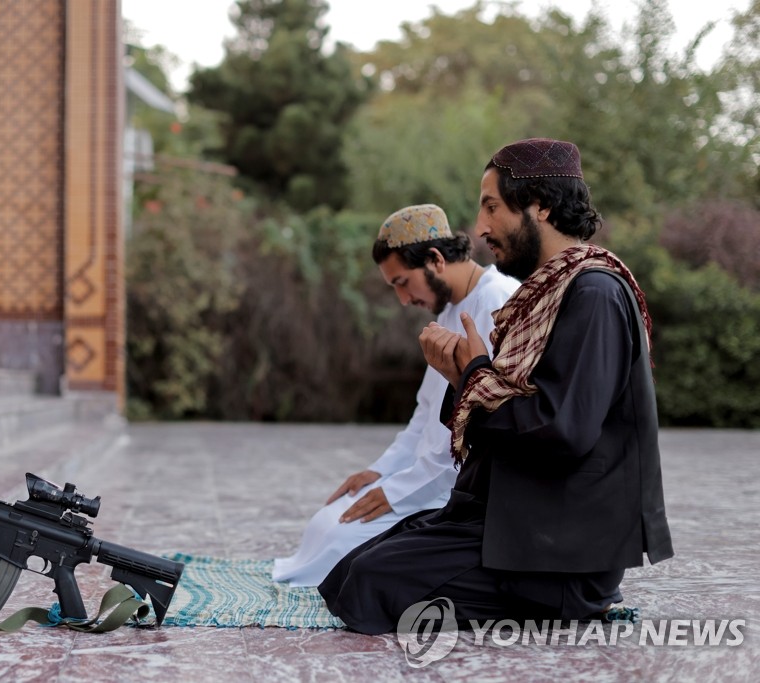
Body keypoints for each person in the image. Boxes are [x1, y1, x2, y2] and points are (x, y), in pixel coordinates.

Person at [318, 138, 674, 633]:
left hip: (555, 553)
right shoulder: (545, 293)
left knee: (367, 586)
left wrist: (470, 374)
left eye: (491, 207)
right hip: (511, 520)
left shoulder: (593, 293)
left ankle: (557, 607)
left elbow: (562, 430)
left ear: (541, 206)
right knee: (344, 574)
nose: (481, 229)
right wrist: (460, 376)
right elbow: (503, 405)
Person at [272, 204, 519, 587]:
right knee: (329, 520)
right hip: (421, 479)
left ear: (435, 259)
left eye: (403, 282)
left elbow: (475, 431)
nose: (404, 300)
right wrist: (381, 472)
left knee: (341, 540)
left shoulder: (495, 301)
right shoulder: (451, 311)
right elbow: (425, 414)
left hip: (458, 491)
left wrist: (395, 493)